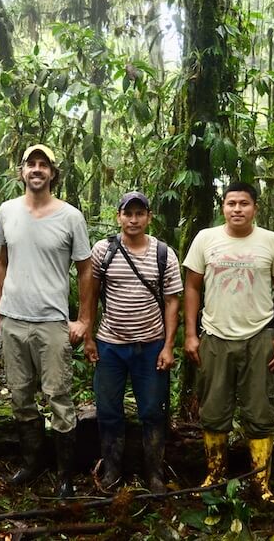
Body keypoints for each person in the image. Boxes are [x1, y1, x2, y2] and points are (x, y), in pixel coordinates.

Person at [0, 144, 94, 498]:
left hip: (52, 322)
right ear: (21, 171)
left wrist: (83, 319)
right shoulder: (6, 211)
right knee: (21, 397)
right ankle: (31, 463)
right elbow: (2, 261)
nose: (37, 170)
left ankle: (65, 475)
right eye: (30, 164)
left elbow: (85, 270)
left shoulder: (70, 216)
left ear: (53, 173)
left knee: (58, 398)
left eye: (43, 165)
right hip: (13, 320)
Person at [182, 181, 274, 502]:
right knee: (213, 410)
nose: (237, 209)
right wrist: (190, 334)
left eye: (244, 203)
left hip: (260, 337)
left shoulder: (271, 241)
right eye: (231, 203)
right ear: (223, 207)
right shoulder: (206, 239)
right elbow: (192, 288)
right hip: (215, 336)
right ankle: (215, 474)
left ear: (255, 207)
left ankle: (261, 483)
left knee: (260, 411)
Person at [84, 191, 182, 494]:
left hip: (150, 345)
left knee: (153, 411)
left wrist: (168, 346)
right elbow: (90, 293)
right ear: (119, 217)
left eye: (140, 214)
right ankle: (112, 470)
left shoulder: (163, 253)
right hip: (111, 345)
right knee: (109, 409)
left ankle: (154, 473)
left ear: (149, 217)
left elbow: (172, 302)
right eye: (128, 213)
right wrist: (88, 337)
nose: (134, 219)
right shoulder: (104, 250)